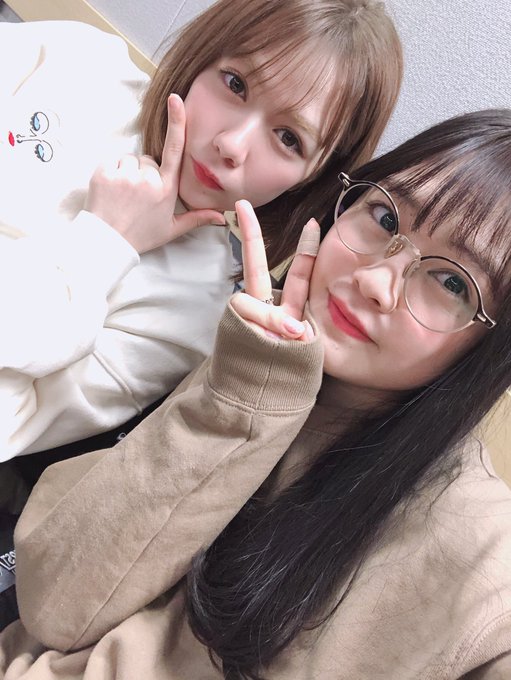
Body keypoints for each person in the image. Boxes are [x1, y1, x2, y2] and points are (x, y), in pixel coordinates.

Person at [2, 108, 511, 679]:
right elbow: (51, 601)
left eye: (452, 283)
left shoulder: (482, 559)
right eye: (385, 216)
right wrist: (247, 392)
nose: (375, 281)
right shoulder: (260, 351)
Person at [0, 0, 402, 461]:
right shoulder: (83, 62)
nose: (231, 145)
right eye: (236, 84)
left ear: (313, 178)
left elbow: (10, 422)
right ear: (204, 56)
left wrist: (105, 244)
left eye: (289, 138)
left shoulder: (194, 310)